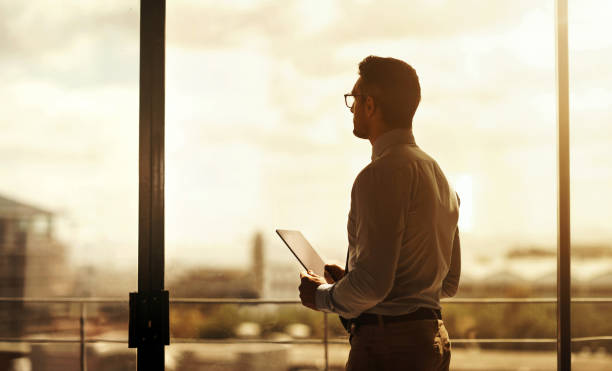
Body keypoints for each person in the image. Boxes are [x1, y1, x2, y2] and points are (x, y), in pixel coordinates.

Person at [298, 56, 461, 371]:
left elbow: (374, 285)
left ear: (369, 104)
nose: (352, 109)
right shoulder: (441, 179)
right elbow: (447, 282)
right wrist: (351, 283)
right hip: (432, 341)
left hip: (390, 348)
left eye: (354, 100)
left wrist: (319, 295)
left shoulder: (379, 175)